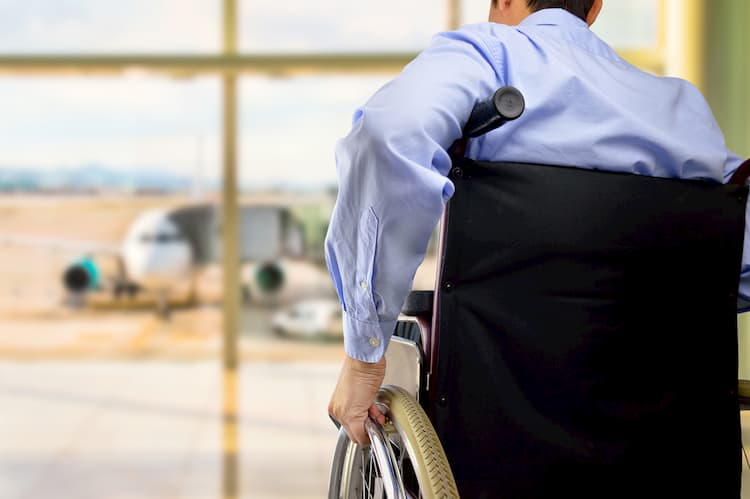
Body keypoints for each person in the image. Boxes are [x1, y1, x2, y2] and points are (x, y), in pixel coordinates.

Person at [326, 0, 746, 480]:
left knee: (403, 340)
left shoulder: (486, 57)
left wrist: (364, 356)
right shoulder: (681, 108)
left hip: (494, 445)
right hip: (671, 454)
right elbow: (736, 260)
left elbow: (388, 138)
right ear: (594, 9)